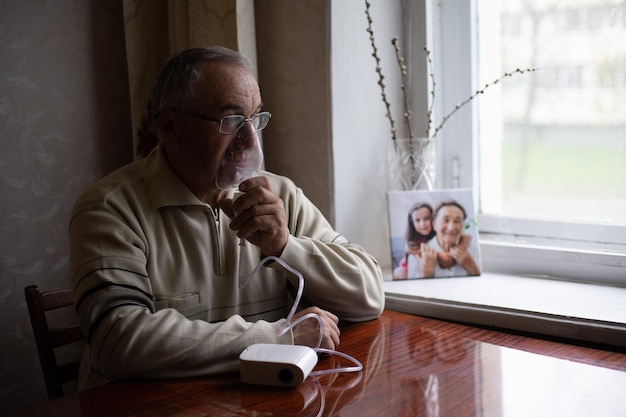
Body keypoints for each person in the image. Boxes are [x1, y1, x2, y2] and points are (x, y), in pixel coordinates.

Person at [69, 46, 384, 390]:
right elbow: (117, 341)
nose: (249, 139)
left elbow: (369, 296)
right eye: (231, 120)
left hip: (256, 403)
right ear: (172, 126)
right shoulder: (108, 208)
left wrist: (285, 246)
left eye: (256, 118)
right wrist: (277, 337)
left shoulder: (280, 194)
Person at [393, 202, 470, 279]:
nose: (422, 224)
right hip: (406, 267)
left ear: (434, 220)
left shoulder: (439, 233)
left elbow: (467, 237)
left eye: (426, 218)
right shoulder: (414, 239)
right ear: (412, 223)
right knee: (398, 274)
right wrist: (439, 255)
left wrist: (461, 248)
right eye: (417, 220)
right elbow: (408, 249)